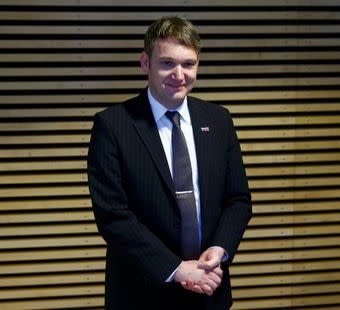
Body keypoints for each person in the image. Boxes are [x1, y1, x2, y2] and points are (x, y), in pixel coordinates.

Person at [87, 16, 252, 309]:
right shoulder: (112, 125)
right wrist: (176, 268)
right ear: (145, 63)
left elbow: (238, 200)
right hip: (142, 293)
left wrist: (219, 250)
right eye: (167, 63)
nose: (179, 74)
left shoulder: (219, 120)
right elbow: (113, 216)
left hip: (209, 288)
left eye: (188, 64)